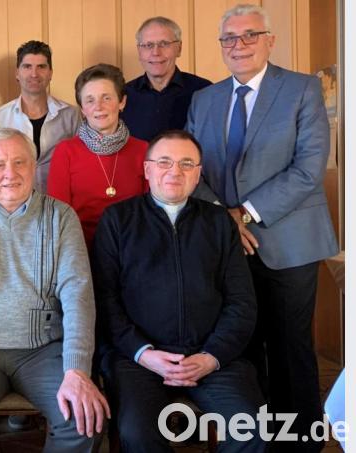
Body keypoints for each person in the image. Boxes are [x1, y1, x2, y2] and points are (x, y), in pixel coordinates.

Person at [186, 5, 337, 452]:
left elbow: (309, 168)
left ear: (270, 40)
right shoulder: (205, 100)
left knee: (291, 349)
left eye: (250, 35)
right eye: (229, 38)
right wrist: (224, 216)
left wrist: (244, 212)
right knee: (242, 347)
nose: (239, 45)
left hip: (288, 241)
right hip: (228, 246)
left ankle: (300, 444)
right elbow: (193, 168)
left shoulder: (302, 89)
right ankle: (254, 441)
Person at [0, 128, 110, 452]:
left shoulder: (60, 217)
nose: (10, 173)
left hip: (44, 351)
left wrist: (77, 369)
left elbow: (78, 296)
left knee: (82, 422)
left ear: (34, 166)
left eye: (19, 162)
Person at [92, 130, 265, 452]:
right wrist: (144, 353)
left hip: (211, 355)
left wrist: (211, 357)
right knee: (138, 434)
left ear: (199, 173)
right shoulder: (118, 220)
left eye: (187, 164)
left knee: (250, 429)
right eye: (164, 162)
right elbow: (105, 301)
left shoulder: (219, 222)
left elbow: (242, 302)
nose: (175, 171)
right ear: (147, 169)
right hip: (138, 358)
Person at [47, 64, 148, 251]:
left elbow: (150, 212)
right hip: (81, 250)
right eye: (90, 100)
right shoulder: (65, 152)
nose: (98, 107)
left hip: (133, 248)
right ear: (83, 109)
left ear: (122, 102)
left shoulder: (143, 150)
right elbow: (59, 215)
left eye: (106, 98)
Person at [0, 40, 79, 191]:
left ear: (50, 73)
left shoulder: (71, 115)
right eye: (27, 66)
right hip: (15, 201)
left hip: (60, 201)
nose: (34, 74)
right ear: (17, 73)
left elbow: (79, 162)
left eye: (41, 67)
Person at [121, 17, 212, 141]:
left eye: (164, 44)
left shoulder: (204, 91)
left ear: (179, 48)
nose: (156, 52)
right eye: (148, 45)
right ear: (139, 51)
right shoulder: (123, 95)